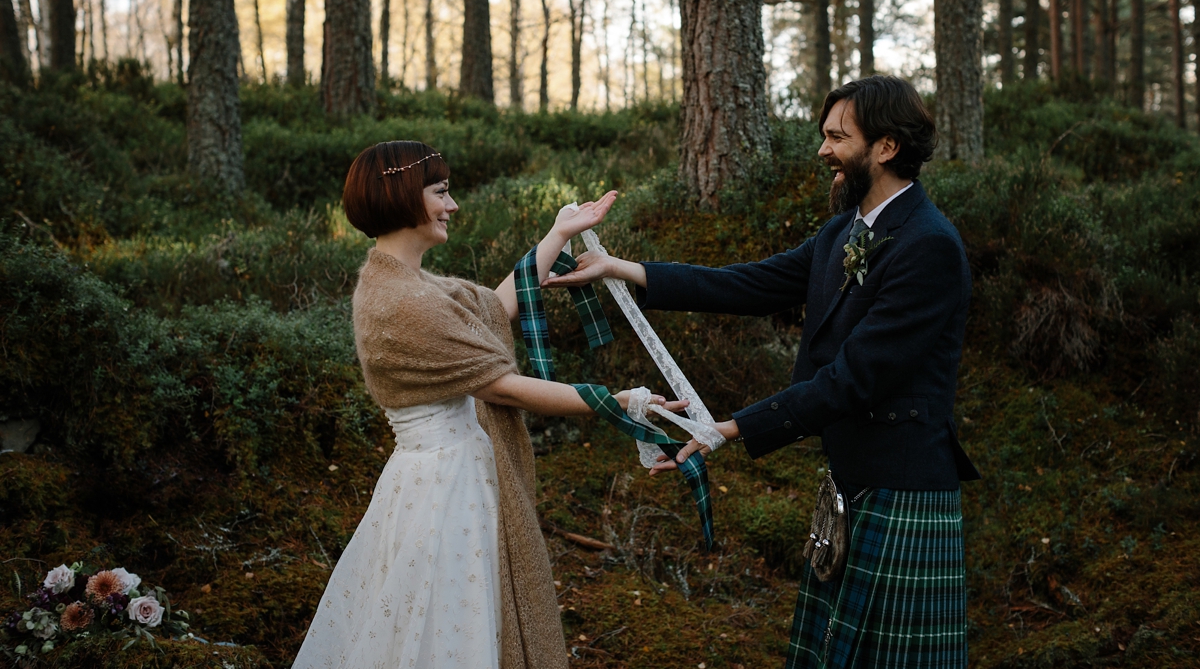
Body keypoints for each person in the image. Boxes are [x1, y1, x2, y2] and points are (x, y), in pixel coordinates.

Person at [546, 76, 982, 668]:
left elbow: (854, 379)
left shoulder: (928, 246)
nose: (823, 150)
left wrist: (727, 429)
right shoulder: (843, 232)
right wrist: (620, 268)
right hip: (855, 483)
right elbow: (747, 284)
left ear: (885, 148)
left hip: (902, 488)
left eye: (837, 137)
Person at [293, 140, 680, 669]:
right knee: (453, 622)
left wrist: (558, 234)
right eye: (440, 192)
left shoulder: (400, 285)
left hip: (436, 476)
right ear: (405, 196)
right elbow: (501, 386)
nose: (451, 206)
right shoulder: (406, 302)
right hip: (446, 487)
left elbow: (493, 309)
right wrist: (615, 402)